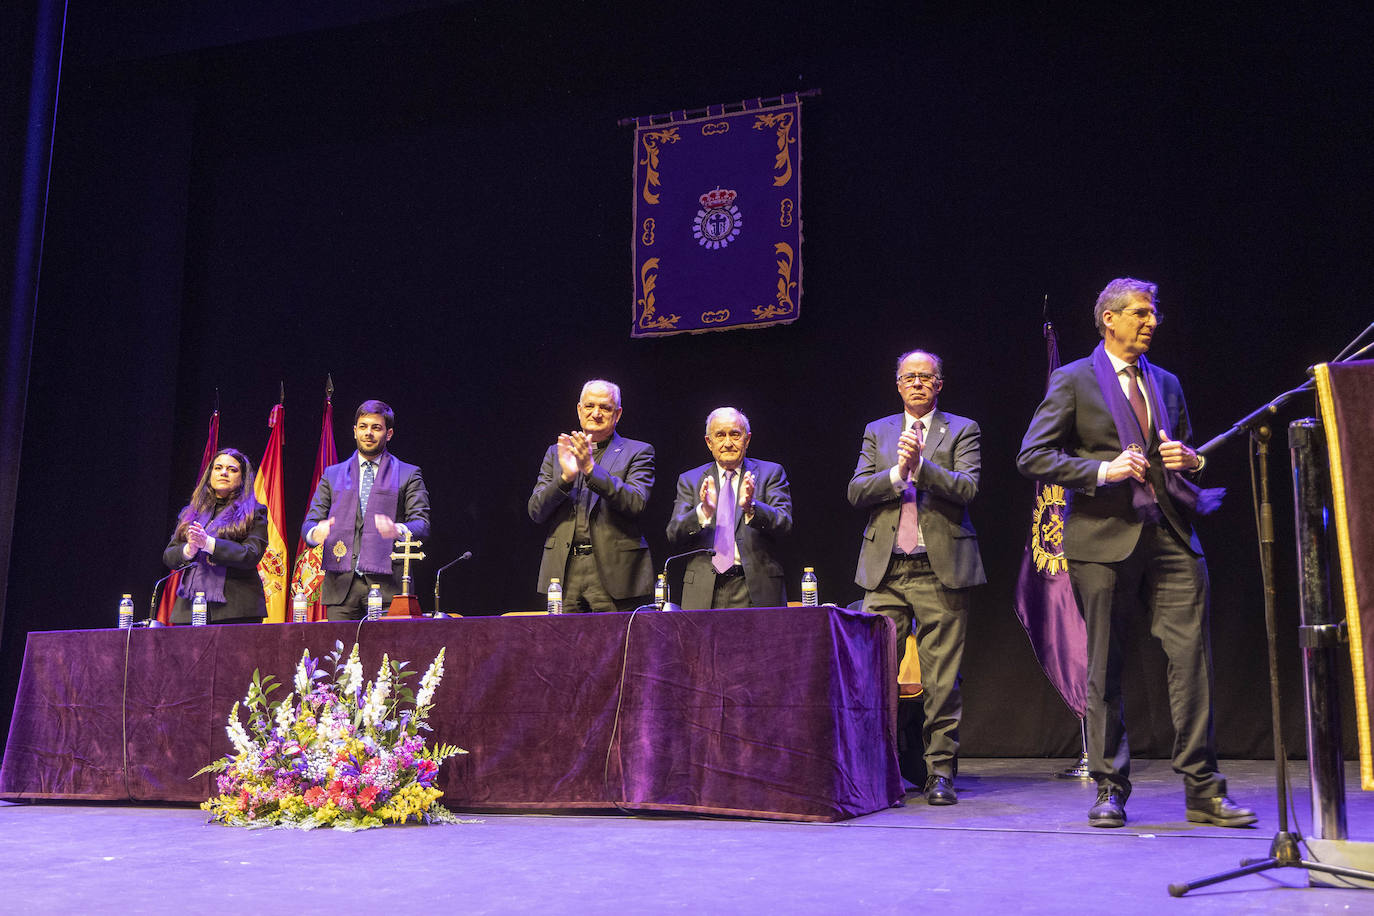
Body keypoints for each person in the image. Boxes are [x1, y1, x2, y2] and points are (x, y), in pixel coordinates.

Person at [1017, 277, 1254, 829]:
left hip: (1170, 533)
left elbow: (1185, 453)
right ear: (1110, 319)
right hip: (1103, 539)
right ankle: (1109, 787)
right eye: (1141, 313)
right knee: (1105, 665)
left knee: (1192, 662)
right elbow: (1032, 455)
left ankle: (1203, 790)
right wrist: (1103, 469)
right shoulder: (1073, 379)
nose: (1152, 322)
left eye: (1154, 313)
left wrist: (1192, 461)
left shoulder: (1165, 382)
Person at [848, 349, 986, 806]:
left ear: (939, 384)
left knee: (941, 679)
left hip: (938, 568)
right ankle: (876, 769)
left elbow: (967, 487)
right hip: (885, 570)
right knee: (874, 676)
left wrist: (922, 470)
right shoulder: (878, 430)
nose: (918, 383)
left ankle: (940, 771)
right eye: (909, 377)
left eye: (926, 377)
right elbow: (857, 491)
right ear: (898, 385)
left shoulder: (962, 429)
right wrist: (896, 473)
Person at [528, 379, 654, 612]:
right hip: (564, 572)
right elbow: (536, 511)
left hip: (614, 571)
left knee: (615, 637)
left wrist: (590, 469)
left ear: (617, 414)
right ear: (579, 410)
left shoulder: (638, 451)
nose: (596, 413)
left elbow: (635, 503)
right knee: (563, 636)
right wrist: (565, 478)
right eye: (589, 406)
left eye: (605, 407)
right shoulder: (556, 453)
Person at [302, 400, 430, 621]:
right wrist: (316, 533)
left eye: (376, 427)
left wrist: (397, 529)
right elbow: (309, 524)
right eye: (363, 427)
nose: (368, 433)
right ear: (355, 431)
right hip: (341, 588)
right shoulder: (332, 474)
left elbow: (422, 525)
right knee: (339, 646)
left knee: (387, 646)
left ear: (389, 434)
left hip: (389, 588)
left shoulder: (408, 474)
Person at [666, 408, 793, 609]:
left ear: (747, 439)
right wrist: (703, 512)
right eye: (720, 435)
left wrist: (751, 507)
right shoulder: (690, 479)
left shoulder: (771, 473)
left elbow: (784, 523)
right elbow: (674, 534)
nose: (727, 443)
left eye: (735, 434)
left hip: (756, 589)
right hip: (703, 591)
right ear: (709, 442)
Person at [162, 448, 268, 624]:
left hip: (237, 610)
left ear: (243, 478)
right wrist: (189, 550)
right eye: (218, 468)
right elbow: (169, 556)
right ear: (210, 474)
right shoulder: (190, 513)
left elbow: (251, 554)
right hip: (189, 609)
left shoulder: (255, 512)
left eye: (232, 469)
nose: (223, 473)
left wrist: (208, 544)